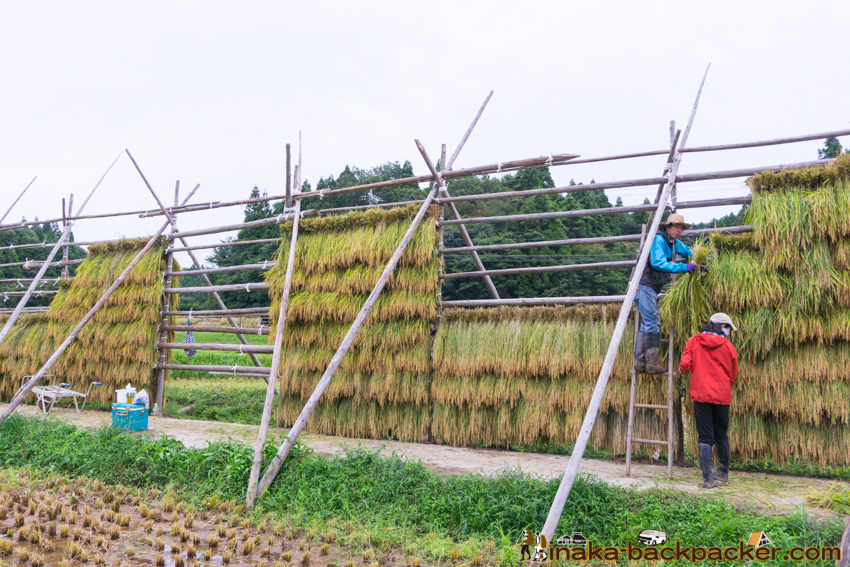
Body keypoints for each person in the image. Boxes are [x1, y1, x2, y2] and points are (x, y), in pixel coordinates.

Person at [634, 213, 701, 374]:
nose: (679, 230)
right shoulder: (658, 239)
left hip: (651, 287)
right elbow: (658, 262)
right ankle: (651, 364)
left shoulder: (672, 242)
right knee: (652, 321)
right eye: (676, 226)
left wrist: (699, 261)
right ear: (668, 226)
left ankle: (640, 362)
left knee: (646, 323)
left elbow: (687, 251)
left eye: (682, 228)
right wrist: (683, 268)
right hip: (644, 285)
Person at [678, 313, 739, 489]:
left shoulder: (694, 342)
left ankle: (707, 479)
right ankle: (723, 473)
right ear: (722, 327)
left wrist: (684, 371)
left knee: (705, 436)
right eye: (728, 328)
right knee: (721, 434)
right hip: (722, 395)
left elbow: (685, 366)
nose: (729, 331)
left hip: (701, 394)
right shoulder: (728, 347)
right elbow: (734, 374)